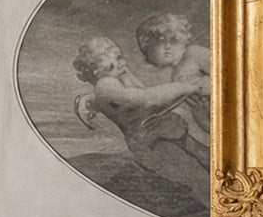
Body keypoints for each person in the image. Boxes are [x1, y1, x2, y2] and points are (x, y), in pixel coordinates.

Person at [73, 36, 209, 165]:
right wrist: (188, 87)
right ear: (96, 70)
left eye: (120, 57)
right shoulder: (104, 84)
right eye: (115, 62)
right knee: (192, 164)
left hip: (161, 131)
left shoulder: (118, 77)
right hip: (152, 141)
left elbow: (149, 99)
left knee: (202, 155)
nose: (123, 63)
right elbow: (146, 99)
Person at [135, 13, 211, 143]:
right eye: (160, 41)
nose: (167, 46)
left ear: (184, 41)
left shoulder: (194, 53)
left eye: (174, 40)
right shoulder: (176, 74)